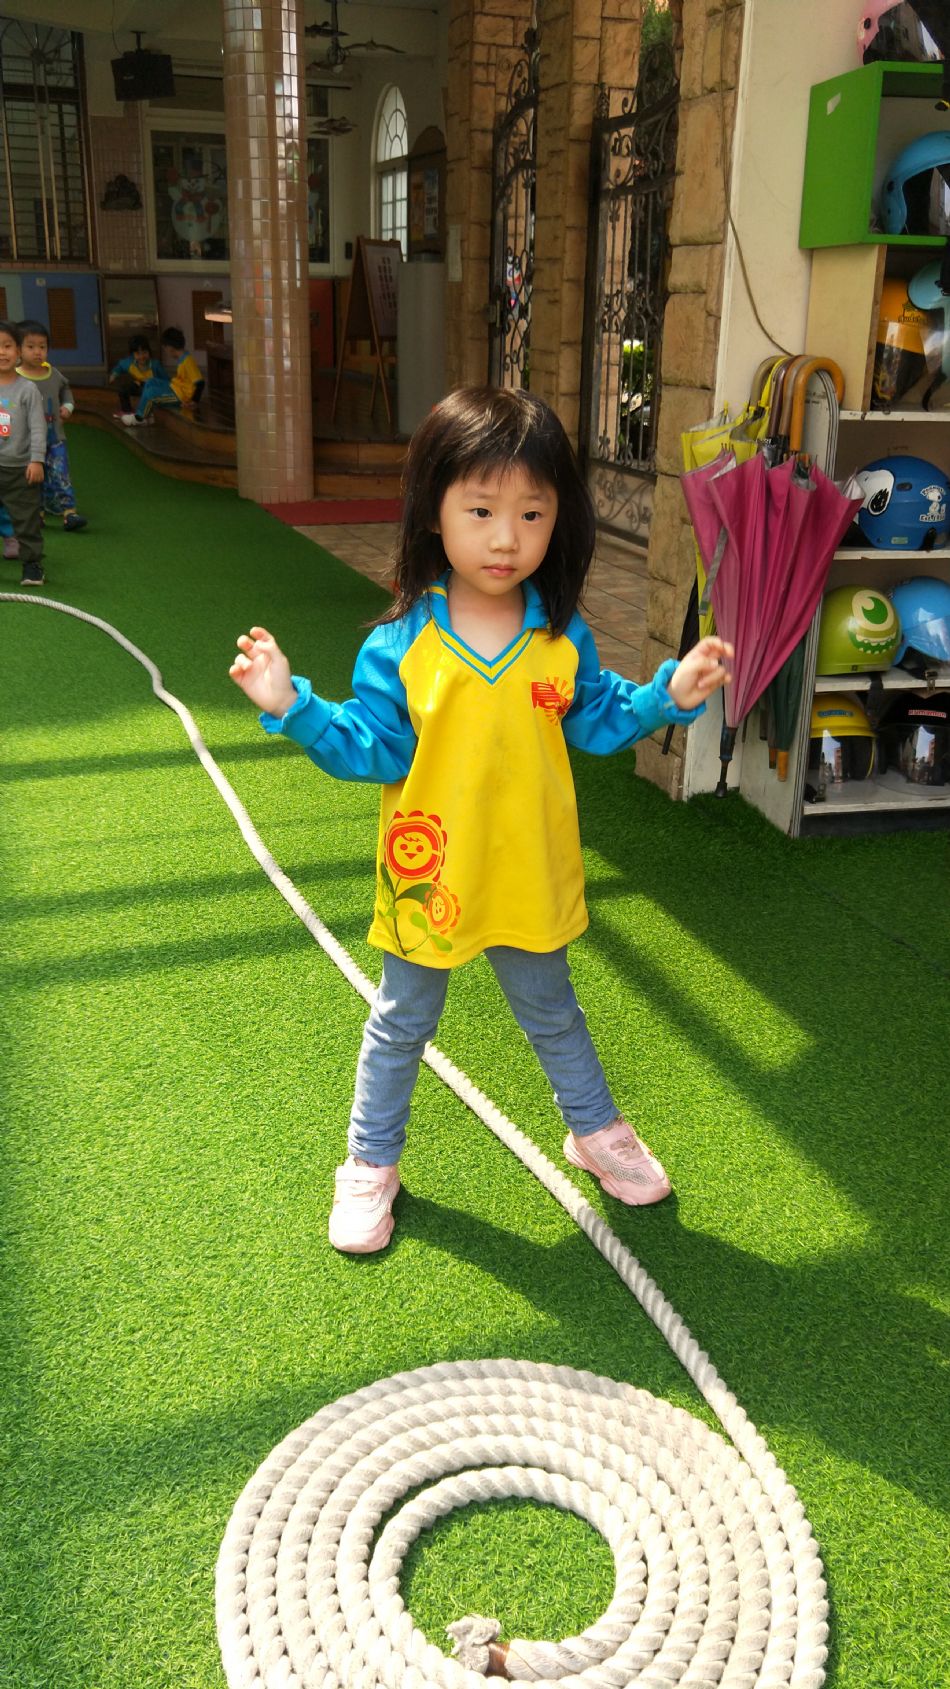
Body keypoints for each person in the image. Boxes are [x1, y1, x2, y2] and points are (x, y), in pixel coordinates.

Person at [229, 387, 733, 1255]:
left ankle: (594, 1130)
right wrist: (293, 706)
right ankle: (370, 1161)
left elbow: (600, 717)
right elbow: (371, 748)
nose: (507, 538)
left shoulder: (559, 638)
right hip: (431, 880)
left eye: (532, 513)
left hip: (528, 869)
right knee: (401, 1021)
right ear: (434, 510)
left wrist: (668, 696)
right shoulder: (402, 643)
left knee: (554, 1011)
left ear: (558, 519)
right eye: (482, 510)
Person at [16, 318, 88, 532]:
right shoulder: (15, 378)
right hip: (27, 443)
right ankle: (37, 514)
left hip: (55, 437)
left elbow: (66, 390)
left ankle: (69, 513)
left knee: (60, 473)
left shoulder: (53, 374)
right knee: (32, 478)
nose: (37, 352)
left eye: (42, 347)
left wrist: (68, 406)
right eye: (31, 347)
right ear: (19, 350)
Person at [0, 318, 47, 587]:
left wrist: (36, 460)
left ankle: (32, 564)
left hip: (21, 468)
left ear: (18, 351)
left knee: (26, 518)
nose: (2, 352)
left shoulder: (28, 389)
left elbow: (38, 427)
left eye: (7, 346)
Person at [109, 335, 169, 426]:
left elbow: (166, 380)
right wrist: (114, 374)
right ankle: (127, 412)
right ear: (133, 355)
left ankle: (147, 414)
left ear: (149, 352)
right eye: (138, 353)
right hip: (139, 385)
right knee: (123, 389)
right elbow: (120, 366)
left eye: (144, 352)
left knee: (148, 393)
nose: (141, 357)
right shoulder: (129, 363)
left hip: (152, 388)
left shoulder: (155, 365)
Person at [159, 326, 203, 409]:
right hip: (178, 391)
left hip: (182, 396)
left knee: (152, 394)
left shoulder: (187, 361)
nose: (166, 352)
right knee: (152, 383)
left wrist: (194, 401)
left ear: (170, 348)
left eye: (165, 349)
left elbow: (200, 383)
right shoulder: (182, 359)